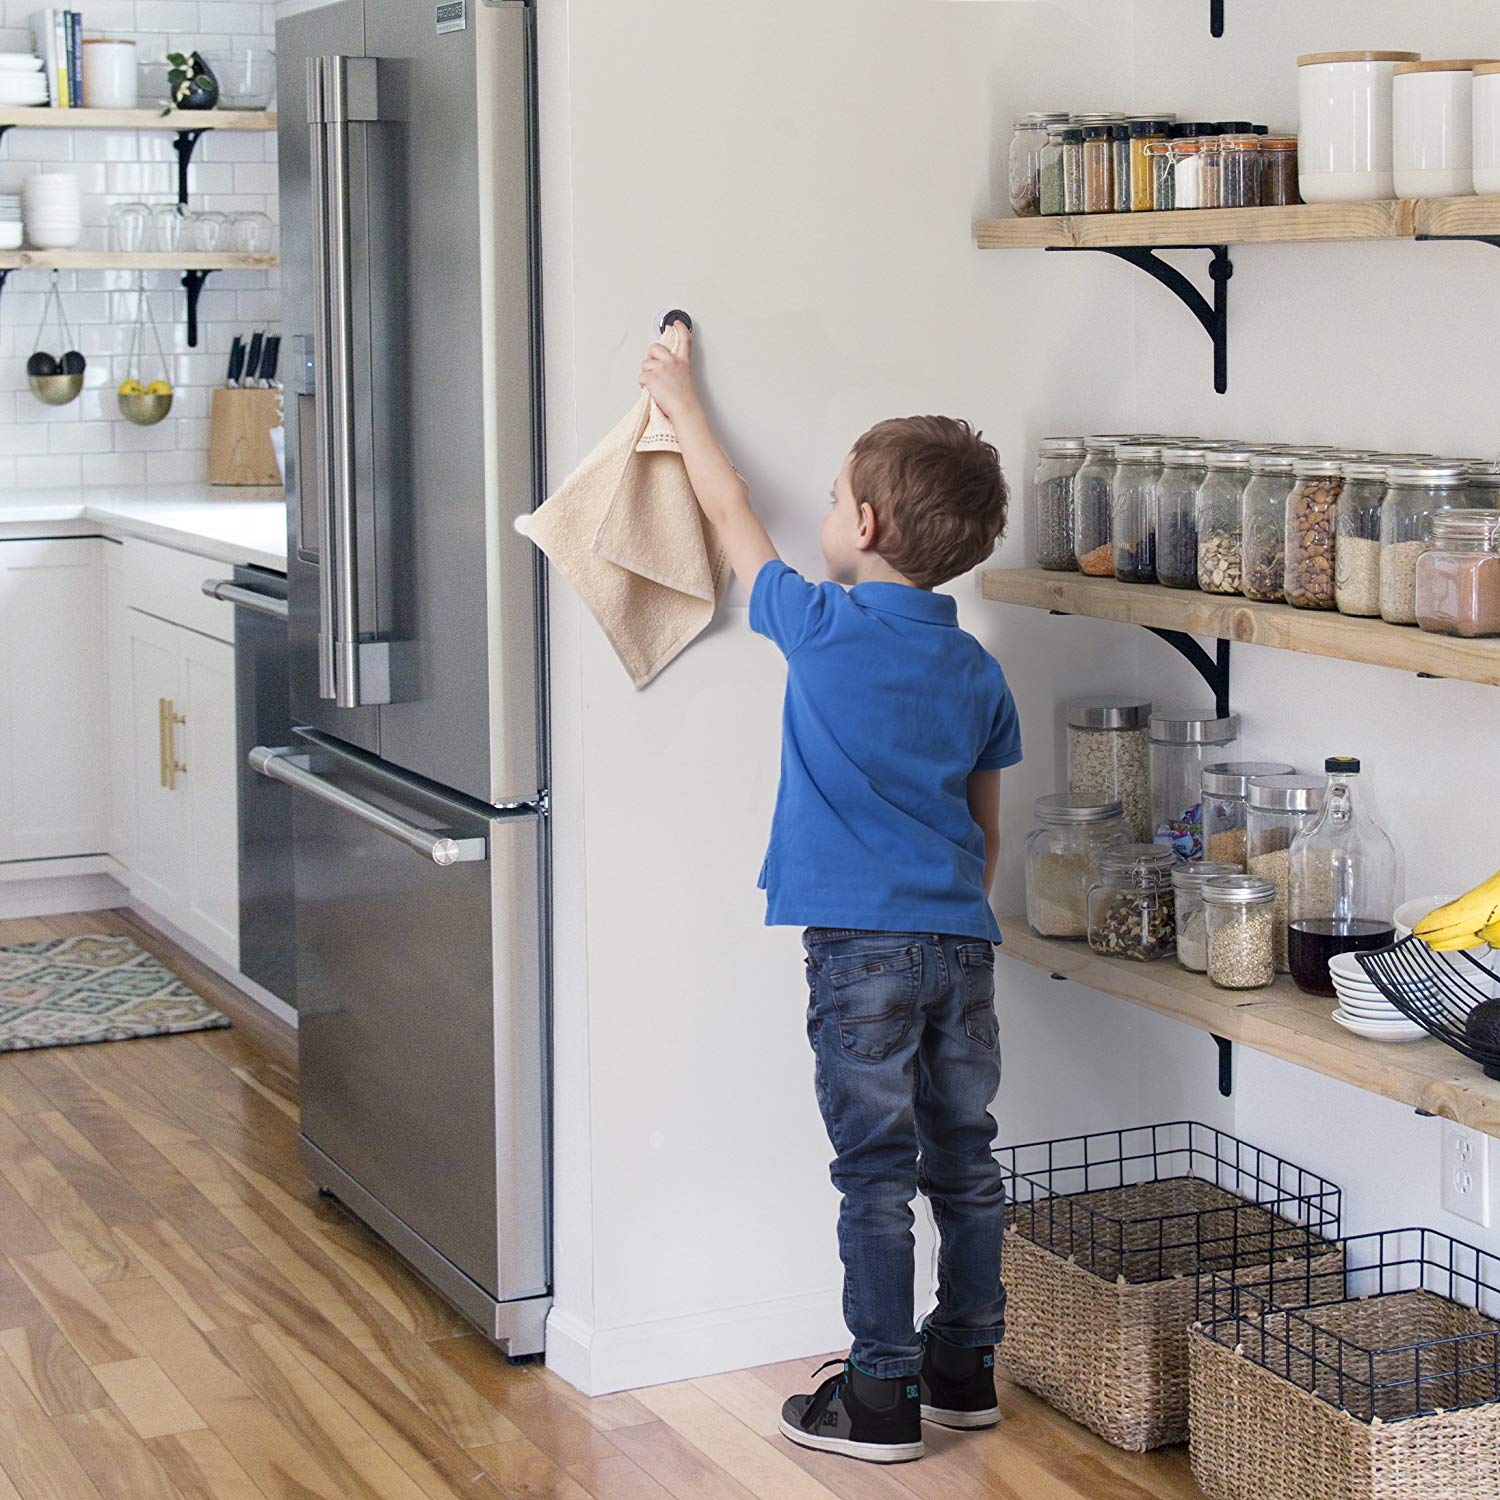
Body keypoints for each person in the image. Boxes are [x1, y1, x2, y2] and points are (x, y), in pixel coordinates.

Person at [639, 325, 1020, 1465]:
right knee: (967, 1161)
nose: (824, 509)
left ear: (861, 527)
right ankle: (966, 1366)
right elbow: (986, 836)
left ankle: (880, 1394)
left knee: (873, 1175)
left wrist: (679, 395)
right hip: (963, 948)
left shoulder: (819, 624)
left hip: (859, 952)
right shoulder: (979, 670)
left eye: (836, 495)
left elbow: (722, 508)